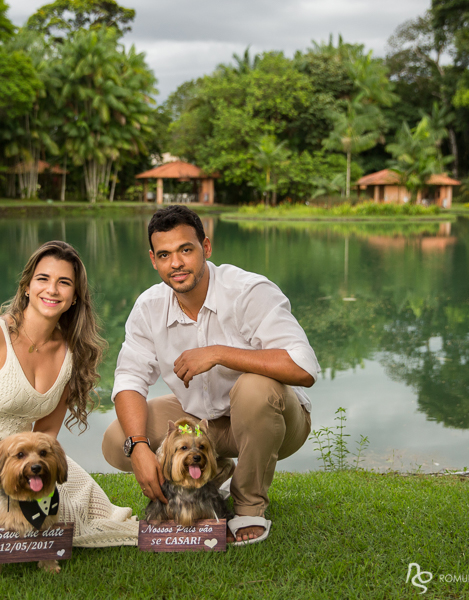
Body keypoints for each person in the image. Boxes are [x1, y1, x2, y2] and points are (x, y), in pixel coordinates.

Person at [102, 206, 320, 545]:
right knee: (118, 441)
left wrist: (218, 353)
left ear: (206, 247)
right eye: (164, 254)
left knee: (255, 388)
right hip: (200, 421)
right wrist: (139, 447)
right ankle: (206, 476)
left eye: (185, 250)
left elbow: (303, 368)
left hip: (275, 420)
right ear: (153, 259)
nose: (176, 263)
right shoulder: (149, 306)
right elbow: (129, 380)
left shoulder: (248, 291)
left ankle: (249, 506)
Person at [0, 241, 137, 547]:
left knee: (95, 510)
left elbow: (46, 433)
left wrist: (44, 470)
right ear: (27, 286)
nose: (52, 290)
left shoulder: (72, 351)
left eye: (64, 283)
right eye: (43, 279)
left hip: (25, 456)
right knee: (32, 526)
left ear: (75, 297)